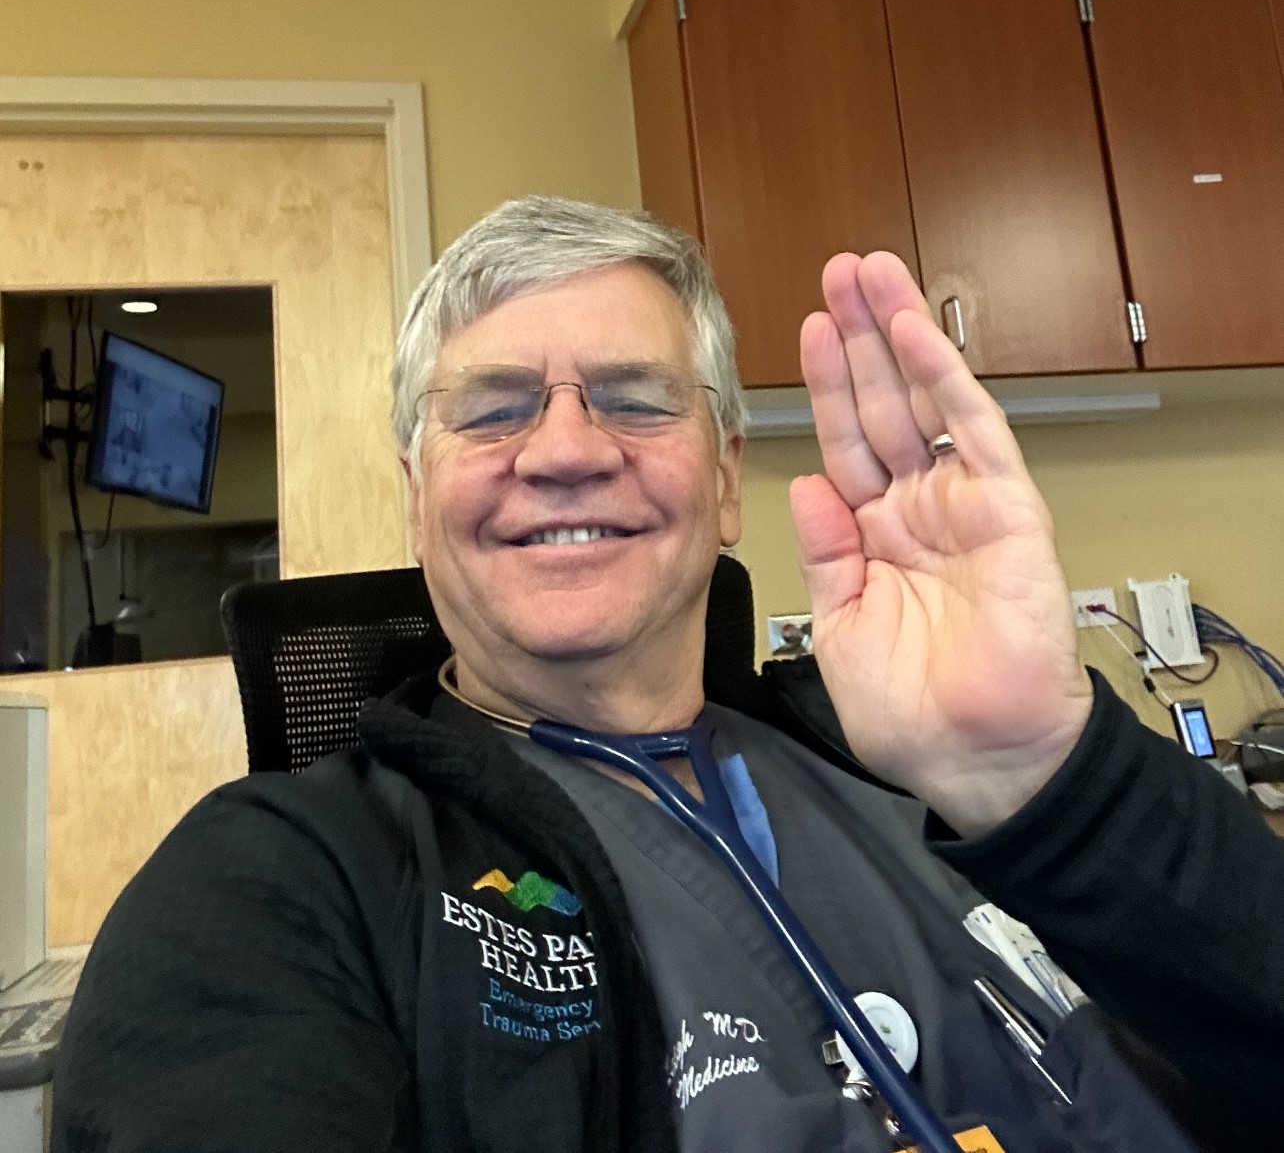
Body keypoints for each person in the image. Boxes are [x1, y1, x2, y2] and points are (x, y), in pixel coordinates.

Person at [52, 197, 1281, 1153]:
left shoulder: (919, 756)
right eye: (491, 411)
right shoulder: (272, 879)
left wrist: (1044, 777)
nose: (570, 449)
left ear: (728, 473)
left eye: (637, 401)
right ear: (415, 490)